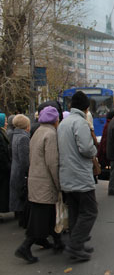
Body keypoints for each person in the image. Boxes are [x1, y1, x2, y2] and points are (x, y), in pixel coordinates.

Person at [14, 106, 63, 264]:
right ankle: (25, 247)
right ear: (55, 120)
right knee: (41, 217)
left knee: (47, 214)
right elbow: (52, 162)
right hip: (45, 182)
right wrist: (58, 183)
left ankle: (57, 241)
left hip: (35, 180)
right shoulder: (51, 134)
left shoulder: (37, 132)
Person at [58, 91, 98, 261]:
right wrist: (95, 150)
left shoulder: (63, 123)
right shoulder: (80, 123)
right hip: (80, 175)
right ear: (87, 108)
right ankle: (75, 246)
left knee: (75, 210)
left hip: (66, 175)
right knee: (90, 211)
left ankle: (77, 244)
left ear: (70, 105)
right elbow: (87, 149)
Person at [9, 115, 31, 228]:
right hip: (20, 172)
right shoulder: (23, 138)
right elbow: (24, 160)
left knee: (18, 196)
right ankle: (23, 221)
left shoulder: (15, 135)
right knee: (22, 197)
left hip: (15, 169)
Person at [0, 113, 11, 214]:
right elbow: (2, 153)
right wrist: (8, 166)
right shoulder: (1, 135)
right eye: (5, 121)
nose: (6, 123)